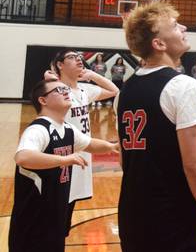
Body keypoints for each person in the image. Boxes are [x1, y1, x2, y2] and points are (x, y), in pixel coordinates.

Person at [118, 1, 196, 251]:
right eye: (175, 26)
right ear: (159, 44)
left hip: (131, 212)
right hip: (171, 216)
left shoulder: (124, 92)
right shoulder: (183, 86)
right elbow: (194, 165)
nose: (183, 27)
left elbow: (124, 160)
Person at [9, 79, 119, 252]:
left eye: (65, 88)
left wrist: (112, 147)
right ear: (43, 100)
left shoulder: (66, 129)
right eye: (58, 90)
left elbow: (89, 143)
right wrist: (65, 160)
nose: (65, 91)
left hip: (54, 217)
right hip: (33, 222)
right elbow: (23, 157)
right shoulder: (38, 130)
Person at [45, 49, 119, 236]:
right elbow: (46, 87)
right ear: (60, 65)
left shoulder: (85, 90)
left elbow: (114, 90)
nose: (78, 60)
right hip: (61, 156)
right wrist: (53, 78)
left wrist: (92, 74)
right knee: (54, 213)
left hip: (81, 154)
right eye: (71, 57)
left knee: (66, 215)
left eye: (80, 58)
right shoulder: (57, 90)